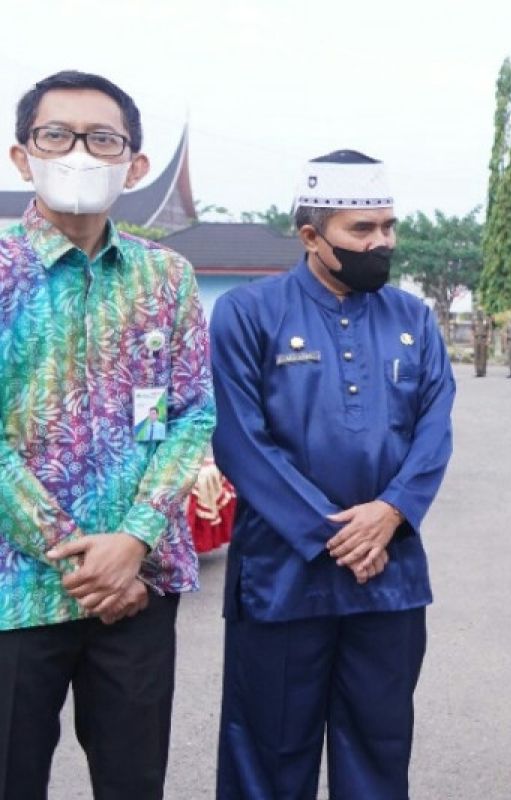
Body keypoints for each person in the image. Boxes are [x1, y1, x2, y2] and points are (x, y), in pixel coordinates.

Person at [210, 150, 455, 800]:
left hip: (390, 577)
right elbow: (241, 441)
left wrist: (391, 512)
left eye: (388, 227)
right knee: (267, 755)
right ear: (312, 236)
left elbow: (434, 431)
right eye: (362, 230)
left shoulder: (414, 319)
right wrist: (334, 534)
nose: (382, 243)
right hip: (283, 577)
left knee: (378, 751)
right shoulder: (248, 313)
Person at [0, 70, 215, 800]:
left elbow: (189, 413)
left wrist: (135, 540)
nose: (80, 154)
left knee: (133, 782)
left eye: (102, 139)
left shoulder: (167, 277)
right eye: (56, 135)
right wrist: (77, 558)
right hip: (16, 587)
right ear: (22, 155)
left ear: (136, 163)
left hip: (139, 586)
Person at [471, 307, 491, 377]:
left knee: (483, 355)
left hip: (483, 339)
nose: (480, 313)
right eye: (478, 311)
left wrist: (488, 339)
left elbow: (489, 330)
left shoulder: (486, 320)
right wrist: (472, 339)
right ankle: (477, 371)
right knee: (477, 355)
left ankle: (483, 371)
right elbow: (472, 330)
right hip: (476, 339)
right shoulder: (474, 320)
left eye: (481, 311)